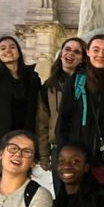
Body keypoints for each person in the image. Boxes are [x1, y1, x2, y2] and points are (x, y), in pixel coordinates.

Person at [57, 34, 104, 183]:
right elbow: (64, 118)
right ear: (88, 52)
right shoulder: (76, 81)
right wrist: (63, 151)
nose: (100, 55)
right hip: (75, 156)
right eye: (96, 50)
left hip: (103, 158)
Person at [0, 36, 43, 174]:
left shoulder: (32, 78)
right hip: (1, 146)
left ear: (18, 51)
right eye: (3, 48)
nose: (8, 51)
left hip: (26, 145)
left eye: (12, 47)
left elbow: (39, 114)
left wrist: (38, 149)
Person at [37, 37, 86, 171]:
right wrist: (44, 155)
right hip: (59, 149)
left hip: (83, 148)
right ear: (60, 54)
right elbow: (43, 123)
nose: (70, 54)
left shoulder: (88, 83)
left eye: (77, 52)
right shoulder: (49, 86)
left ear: (82, 59)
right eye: (67, 49)